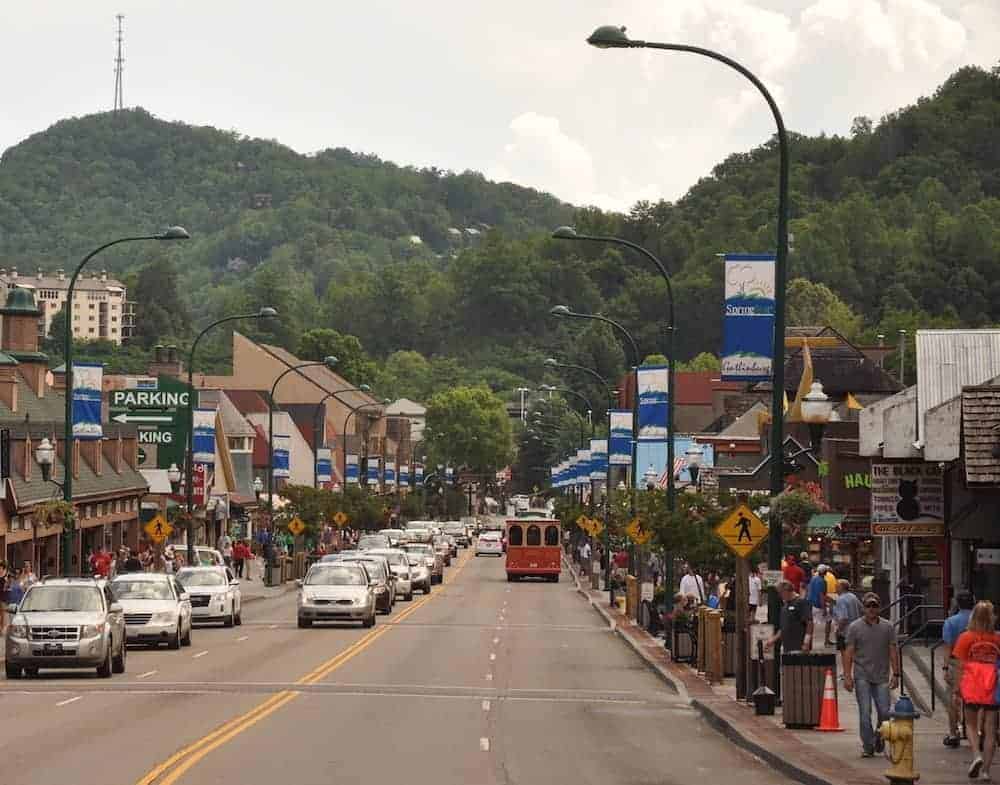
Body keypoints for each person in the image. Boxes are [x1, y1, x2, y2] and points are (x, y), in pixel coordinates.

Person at [844, 593, 900, 758]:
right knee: (865, 712)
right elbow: (848, 652)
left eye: (874, 606)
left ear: (879, 607)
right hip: (862, 675)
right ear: (863, 607)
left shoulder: (888, 627)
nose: (871, 609)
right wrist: (847, 676)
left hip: (882, 676)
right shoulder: (854, 627)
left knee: (884, 711)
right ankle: (868, 745)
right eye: (868, 606)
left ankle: (879, 736)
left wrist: (896, 673)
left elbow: (892, 650)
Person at [953, 601, 1000, 778]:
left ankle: (976, 754)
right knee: (991, 729)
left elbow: (960, 666)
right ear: (991, 617)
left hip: (972, 685)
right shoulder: (997, 638)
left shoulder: (966, 638)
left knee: (970, 724)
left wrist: (957, 689)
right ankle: (986, 771)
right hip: (991, 685)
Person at [941, 590, 975, 748]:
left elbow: (947, 647)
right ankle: (976, 731)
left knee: (954, 698)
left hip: (956, 664)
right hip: (977, 665)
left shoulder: (951, 622)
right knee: (975, 699)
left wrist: (946, 667)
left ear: (957, 603)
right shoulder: (980, 622)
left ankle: (954, 733)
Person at [765, 580, 812, 654]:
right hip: (786, 647)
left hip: (798, 646)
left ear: (786, 591)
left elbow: (809, 623)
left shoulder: (801, 602)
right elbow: (783, 628)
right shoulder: (785, 606)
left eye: (780, 593)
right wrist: (773, 639)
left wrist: (806, 642)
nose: (779, 596)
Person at [832, 579, 863, 652]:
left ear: (841, 587)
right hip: (856, 631)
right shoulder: (853, 596)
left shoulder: (841, 600)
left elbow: (843, 618)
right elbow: (862, 610)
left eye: (837, 586)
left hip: (845, 633)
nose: (835, 588)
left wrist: (838, 630)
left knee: (846, 656)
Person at [806, 565, 828, 646]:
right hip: (817, 605)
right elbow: (822, 595)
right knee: (829, 618)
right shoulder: (823, 581)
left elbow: (808, 590)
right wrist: (824, 608)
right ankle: (826, 640)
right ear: (825, 572)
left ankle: (809, 642)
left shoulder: (813, 578)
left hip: (809, 604)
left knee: (810, 625)